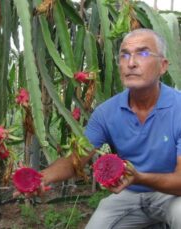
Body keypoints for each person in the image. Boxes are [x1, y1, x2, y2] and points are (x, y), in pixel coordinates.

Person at [34, 28, 181, 228]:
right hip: (127, 195)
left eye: (143, 53)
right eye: (124, 55)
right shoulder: (106, 113)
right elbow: (75, 160)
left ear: (163, 66)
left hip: (172, 195)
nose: (131, 63)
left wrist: (140, 177)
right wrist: (41, 177)